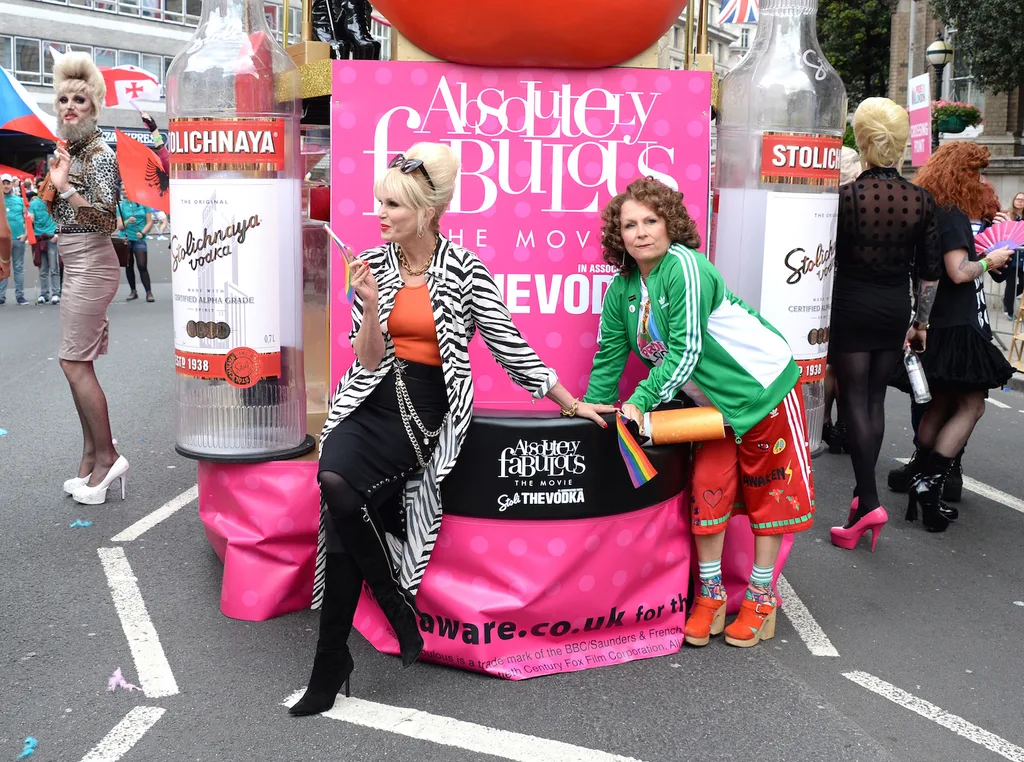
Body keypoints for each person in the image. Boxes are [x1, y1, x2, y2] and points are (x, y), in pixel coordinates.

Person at [289, 143, 614, 717]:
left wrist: (569, 401)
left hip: (425, 407)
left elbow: (509, 345)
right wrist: (366, 307)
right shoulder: (371, 263)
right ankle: (376, 620)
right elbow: (364, 362)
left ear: (426, 211)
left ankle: (334, 657)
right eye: (378, 203)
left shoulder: (464, 269)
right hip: (368, 397)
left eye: (392, 205)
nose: (380, 214)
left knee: (342, 494)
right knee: (335, 482)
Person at [583, 178, 814, 650]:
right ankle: (709, 597)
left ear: (670, 225)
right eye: (630, 224)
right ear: (618, 235)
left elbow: (685, 351)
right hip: (710, 410)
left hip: (762, 390)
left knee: (771, 497)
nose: (641, 232)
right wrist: (593, 409)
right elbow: (609, 356)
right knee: (708, 494)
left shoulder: (685, 267)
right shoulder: (623, 288)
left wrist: (639, 401)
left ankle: (761, 597)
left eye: (651, 220)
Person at [826, 98, 944, 549]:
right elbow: (929, 270)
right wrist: (921, 322)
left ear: (862, 139)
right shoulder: (921, 199)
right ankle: (860, 498)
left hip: (852, 302)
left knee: (855, 399)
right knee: (872, 401)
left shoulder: (846, 197)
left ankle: (870, 500)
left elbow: (826, 259)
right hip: (894, 306)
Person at [889, 143, 1015, 531]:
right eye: (976, 173)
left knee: (939, 404)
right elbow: (958, 271)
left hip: (935, 321)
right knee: (972, 406)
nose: (981, 180)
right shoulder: (955, 215)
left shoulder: (930, 208)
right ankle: (930, 482)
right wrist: (990, 261)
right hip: (958, 322)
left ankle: (920, 474)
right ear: (961, 174)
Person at [47, 52, 129, 506]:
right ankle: (89, 460)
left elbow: (105, 221)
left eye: (79, 99)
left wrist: (65, 187)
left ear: (94, 106)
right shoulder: (71, 151)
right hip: (72, 257)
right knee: (77, 362)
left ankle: (109, 457)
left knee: (74, 363)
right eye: (63, 100)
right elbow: (59, 215)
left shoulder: (98, 154)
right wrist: (54, 183)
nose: (70, 107)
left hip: (93, 260)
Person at [822, 146, 864, 455]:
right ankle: (845, 424)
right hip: (851, 287)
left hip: (825, 283)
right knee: (846, 363)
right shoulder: (859, 203)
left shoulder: (827, 201)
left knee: (830, 362)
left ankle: (822, 422)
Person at [117, 186, 154, 302]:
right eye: (123, 190)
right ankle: (133, 291)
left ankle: (149, 292)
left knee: (142, 265)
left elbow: (150, 222)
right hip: (126, 238)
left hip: (139, 238)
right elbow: (120, 226)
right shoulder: (121, 206)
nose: (124, 191)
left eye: (126, 189)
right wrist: (127, 221)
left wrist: (143, 232)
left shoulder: (143, 203)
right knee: (129, 266)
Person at [28, 183, 61, 304]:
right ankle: (44, 293)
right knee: (42, 269)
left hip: (51, 237)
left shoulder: (54, 202)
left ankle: (56, 293)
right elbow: (31, 219)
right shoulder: (34, 204)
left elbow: (60, 219)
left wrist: (57, 235)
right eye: (41, 188)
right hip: (39, 238)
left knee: (54, 268)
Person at [1, 174, 29, 305]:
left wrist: (26, 234)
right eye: (3, 183)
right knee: (2, 267)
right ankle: (1, 296)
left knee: (18, 267)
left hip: (18, 238)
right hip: (2, 240)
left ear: (12, 184)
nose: (6, 186)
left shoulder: (20, 200)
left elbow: (27, 219)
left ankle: (20, 296)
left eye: (8, 183)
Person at [1002, 191, 1023, 319]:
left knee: (1022, 283)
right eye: (1018, 199)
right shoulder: (1009, 215)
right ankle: (1009, 311)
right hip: (1011, 255)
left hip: (1022, 256)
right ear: (1014, 201)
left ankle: (1007, 299)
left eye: (1022, 199)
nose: (1020, 201)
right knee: (1010, 283)